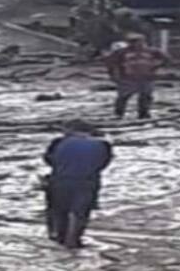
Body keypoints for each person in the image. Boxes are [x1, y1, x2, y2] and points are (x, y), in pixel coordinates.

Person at [43, 121, 113, 249]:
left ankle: (59, 239)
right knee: (80, 213)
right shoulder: (103, 144)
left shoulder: (59, 142)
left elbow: (49, 160)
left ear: (70, 130)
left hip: (60, 180)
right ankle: (74, 240)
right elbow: (103, 163)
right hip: (87, 182)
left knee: (59, 210)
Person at [105, 32, 169, 120]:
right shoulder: (122, 52)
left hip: (146, 77)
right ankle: (119, 114)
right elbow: (111, 63)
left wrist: (155, 67)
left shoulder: (152, 51)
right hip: (127, 78)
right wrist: (114, 75)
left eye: (138, 41)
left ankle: (143, 114)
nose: (136, 44)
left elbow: (166, 59)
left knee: (145, 96)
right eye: (132, 41)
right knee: (123, 97)